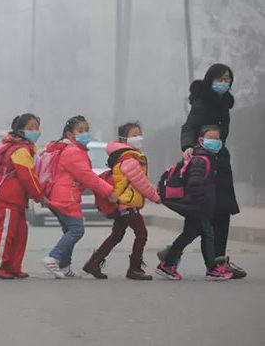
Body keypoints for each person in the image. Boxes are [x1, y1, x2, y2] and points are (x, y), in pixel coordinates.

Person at [163, 63, 246, 279]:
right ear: (210, 80)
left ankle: (218, 261)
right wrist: (188, 146)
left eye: (227, 79)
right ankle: (173, 256)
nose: (224, 82)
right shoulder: (202, 103)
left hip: (221, 163)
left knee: (222, 213)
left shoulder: (224, 104)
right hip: (205, 162)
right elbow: (188, 127)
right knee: (200, 217)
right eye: (220, 78)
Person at [41, 115, 117, 279]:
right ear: (70, 135)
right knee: (77, 230)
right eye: (80, 131)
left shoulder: (71, 150)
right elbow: (88, 177)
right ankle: (53, 257)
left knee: (69, 230)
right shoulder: (73, 152)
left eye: (86, 130)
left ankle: (65, 266)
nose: (85, 134)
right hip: (66, 198)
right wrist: (109, 191)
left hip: (62, 196)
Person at [83, 122, 160, 280]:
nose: (138, 138)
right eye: (133, 135)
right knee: (141, 233)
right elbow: (141, 183)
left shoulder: (126, 156)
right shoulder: (129, 159)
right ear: (123, 139)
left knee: (117, 234)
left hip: (122, 203)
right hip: (127, 203)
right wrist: (156, 197)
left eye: (140, 134)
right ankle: (134, 268)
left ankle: (94, 262)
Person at [156, 125, 232, 281]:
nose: (214, 141)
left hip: (197, 206)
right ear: (201, 140)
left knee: (189, 234)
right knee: (208, 235)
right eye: (210, 138)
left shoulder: (207, 156)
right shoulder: (201, 159)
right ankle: (212, 269)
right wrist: (202, 204)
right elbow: (195, 184)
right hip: (198, 207)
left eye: (217, 138)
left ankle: (167, 264)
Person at [0, 113, 46, 279]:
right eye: (30, 128)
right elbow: (27, 176)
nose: (35, 131)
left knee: (20, 233)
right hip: (8, 197)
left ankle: (13, 266)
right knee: (6, 233)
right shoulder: (20, 150)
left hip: (18, 200)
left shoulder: (25, 148)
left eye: (37, 127)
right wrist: (40, 196)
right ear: (20, 130)